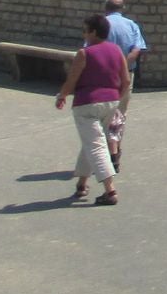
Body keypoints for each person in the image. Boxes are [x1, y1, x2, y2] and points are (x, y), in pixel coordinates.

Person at [54, 12, 127, 205]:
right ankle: (82, 183)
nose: (83, 35)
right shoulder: (117, 51)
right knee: (92, 140)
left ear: (93, 32)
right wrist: (116, 97)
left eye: (85, 31)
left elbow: (72, 80)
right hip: (111, 101)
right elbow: (126, 81)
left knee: (95, 145)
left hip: (86, 104)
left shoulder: (84, 53)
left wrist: (61, 96)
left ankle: (110, 191)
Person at [101, 0, 148, 171]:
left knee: (102, 115)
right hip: (126, 75)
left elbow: (89, 50)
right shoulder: (131, 25)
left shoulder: (100, 25)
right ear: (122, 9)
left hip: (103, 76)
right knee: (120, 114)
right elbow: (137, 49)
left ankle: (106, 152)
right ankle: (117, 149)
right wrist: (123, 66)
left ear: (106, 8)